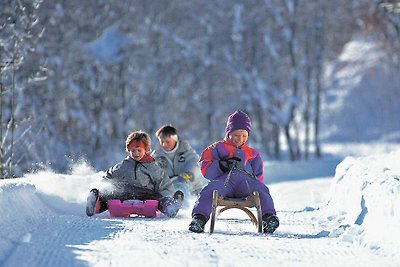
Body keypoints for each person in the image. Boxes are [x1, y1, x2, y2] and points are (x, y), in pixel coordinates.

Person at [188, 110, 279, 233]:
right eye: (236, 135)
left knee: (262, 188)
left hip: (245, 184)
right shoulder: (217, 148)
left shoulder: (252, 153)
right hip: (224, 182)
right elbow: (205, 167)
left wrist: (254, 183)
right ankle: (199, 219)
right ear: (228, 132)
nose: (240, 139)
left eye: (244, 136)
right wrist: (221, 165)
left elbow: (258, 175)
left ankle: (269, 218)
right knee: (209, 190)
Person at [86, 130, 184, 218]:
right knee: (110, 196)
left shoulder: (153, 168)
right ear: (129, 150)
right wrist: (104, 189)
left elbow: (165, 185)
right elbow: (109, 176)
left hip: (147, 195)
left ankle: (170, 207)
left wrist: (167, 196)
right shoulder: (124, 165)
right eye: (133, 150)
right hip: (125, 194)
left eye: (139, 150)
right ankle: (95, 204)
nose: (136, 153)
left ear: (146, 149)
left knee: (160, 199)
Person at [151, 125, 206, 196]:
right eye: (162, 142)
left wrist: (186, 176)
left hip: (193, 190)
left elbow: (194, 165)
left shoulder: (186, 151)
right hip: (169, 191)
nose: (164, 144)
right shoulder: (156, 156)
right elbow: (153, 172)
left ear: (175, 139)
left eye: (167, 142)